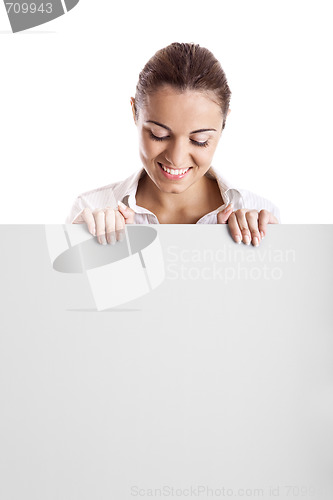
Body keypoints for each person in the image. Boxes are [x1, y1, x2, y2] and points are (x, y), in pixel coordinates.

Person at [67, 42, 280, 246]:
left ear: (223, 124)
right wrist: (90, 250)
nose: (176, 158)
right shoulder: (91, 209)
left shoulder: (259, 215)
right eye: (159, 135)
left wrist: (239, 252)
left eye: (200, 141)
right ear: (135, 113)